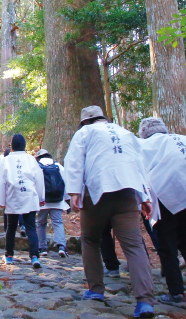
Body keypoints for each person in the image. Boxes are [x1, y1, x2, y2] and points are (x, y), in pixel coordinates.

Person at [64, 106, 156, 319]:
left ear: (85, 121)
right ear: (103, 118)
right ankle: (145, 301)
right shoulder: (125, 133)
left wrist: (74, 192)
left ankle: (96, 290)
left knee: (90, 239)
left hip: (98, 191)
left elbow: (74, 161)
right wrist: (145, 195)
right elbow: (139, 162)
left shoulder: (84, 133)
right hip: (127, 192)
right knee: (133, 245)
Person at [138, 117, 186, 303]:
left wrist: (142, 200)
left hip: (166, 194)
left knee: (167, 246)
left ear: (144, 133)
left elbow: (140, 172)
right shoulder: (185, 140)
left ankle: (176, 292)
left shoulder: (143, 145)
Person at [0, 134, 45, 269]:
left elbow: (0, 181)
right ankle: (34, 256)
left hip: (12, 196)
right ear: (24, 146)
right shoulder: (31, 160)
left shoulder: (6, 160)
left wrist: (0, 201)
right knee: (31, 227)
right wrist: (41, 197)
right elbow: (39, 178)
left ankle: (9, 255)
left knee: (11, 227)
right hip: (29, 196)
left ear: (12, 146)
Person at [35, 149, 70, 258]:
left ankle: (42, 248)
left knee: (41, 223)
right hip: (57, 201)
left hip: (43, 202)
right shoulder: (58, 166)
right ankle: (61, 247)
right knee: (58, 222)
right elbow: (65, 182)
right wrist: (67, 199)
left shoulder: (37, 167)